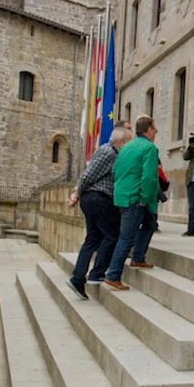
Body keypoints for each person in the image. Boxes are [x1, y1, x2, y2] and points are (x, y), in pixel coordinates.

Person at [67, 126, 131, 299]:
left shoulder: (112, 153)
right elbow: (87, 175)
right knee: (112, 235)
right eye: (128, 142)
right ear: (120, 142)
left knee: (93, 238)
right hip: (97, 199)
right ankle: (96, 273)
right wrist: (76, 193)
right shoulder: (108, 152)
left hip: (94, 199)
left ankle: (78, 278)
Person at [103, 115, 160, 290]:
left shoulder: (126, 146)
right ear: (149, 130)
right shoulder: (149, 148)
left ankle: (138, 257)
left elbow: (115, 170)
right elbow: (149, 176)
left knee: (150, 223)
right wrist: (144, 199)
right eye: (155, 130)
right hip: (135, 198)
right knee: (126, 237)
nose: (155, 133)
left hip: (121, 195)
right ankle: (113, 275)